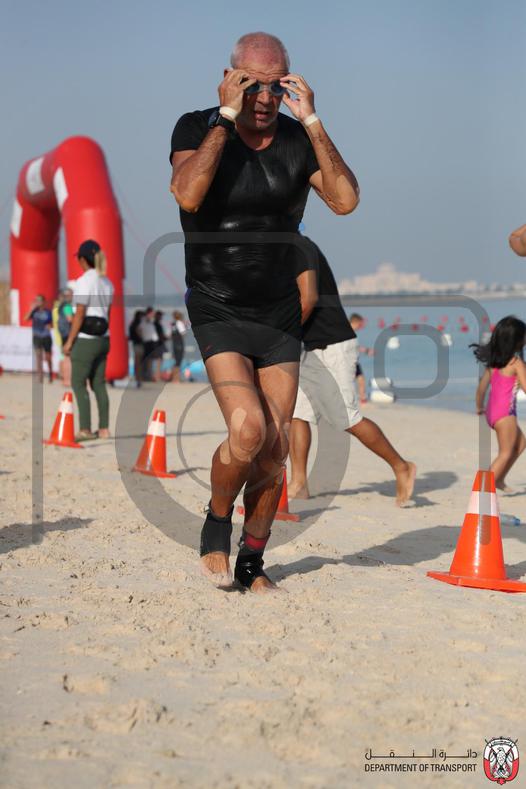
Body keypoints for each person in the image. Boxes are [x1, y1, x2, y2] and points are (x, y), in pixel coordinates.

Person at [170, 32, 359, 592]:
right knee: (248, 429)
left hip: (277, 311)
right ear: (230, 79)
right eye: (252, 84)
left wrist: (314, 121)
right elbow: (187, 193)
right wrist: (224, 119)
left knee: (274, 450)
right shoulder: (196, 127)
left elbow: (345, 200)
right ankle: (216, 520)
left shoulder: (298, 139)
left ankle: (252, 560)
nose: (265, 97)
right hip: (217, 304)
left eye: (277, 86)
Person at [288, 239, 416, 506]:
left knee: (347, 418)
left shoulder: (299, 247)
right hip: (311, 348)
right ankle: (299, 483)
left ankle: (401, 466)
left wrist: (282, 335)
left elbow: (308, 299)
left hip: (334, 345)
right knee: (298, 414)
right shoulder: (280, 251)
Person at [62, 240, 114, 441]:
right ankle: (104, 429)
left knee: (78, 382)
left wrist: (69, 340)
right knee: (99, 383)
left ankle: (85, 429)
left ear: (82, 259)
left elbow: (80, 313)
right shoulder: (107, 282)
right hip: (104, 338)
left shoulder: (84, 281)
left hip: (86, 340)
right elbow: (107, 313)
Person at [472, 316, 526, 491]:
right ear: (518, 340)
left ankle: (499, 480)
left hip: (492, 413)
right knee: (505, 453)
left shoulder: (493, 363)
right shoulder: (516, 363)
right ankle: (483, 489)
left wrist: (479, 406)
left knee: (520, 444)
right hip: (505, 415)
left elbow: (481, 389)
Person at [25, 294, 53, 384]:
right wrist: (31, 309)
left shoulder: (48, 312)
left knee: (48, 357)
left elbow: (52, 324)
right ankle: (40, 377)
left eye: (39, 300)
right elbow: (25, 319)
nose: (38, 302)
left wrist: (50, 326)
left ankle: (50, 373)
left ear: (43, 302)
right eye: (36, 300)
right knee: (38, 356)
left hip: (46, 336)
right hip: (37, 336)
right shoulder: (34, 311)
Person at [349, 312, 374, 404]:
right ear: (355, 322)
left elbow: (355, 347)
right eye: (359, 324)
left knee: (361, 379)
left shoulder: (350, 332)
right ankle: (357, 399)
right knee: (352, 381)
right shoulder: (346, 333)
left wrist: (366, 350)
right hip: (348, 361)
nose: (360, 327)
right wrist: (367, 350)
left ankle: (362, 399)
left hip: (354, 361)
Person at [54, 288, 74, 386]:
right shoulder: (67, 306)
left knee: (63, 356)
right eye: (71, 295)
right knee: (68, 357)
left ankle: (63, 379)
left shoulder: (60, 305)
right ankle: (67, 380)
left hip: (62, 333)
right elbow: (70, 319)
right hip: (67, 333)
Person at [139, 307, 158, 382]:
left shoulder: (151, 321)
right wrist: (141, 338)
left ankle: (148, 375)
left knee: (150, 360)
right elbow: (139, 329)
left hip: (152, 342)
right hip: (147, 342)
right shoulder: (144, 320)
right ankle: (146, 375)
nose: (153, 314)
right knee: (147, 360)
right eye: (152, 313)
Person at [128, 310, 145, 387]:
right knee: (138, 362)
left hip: (135, 344)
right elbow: (140, 333)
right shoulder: (138, 324)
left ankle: (137, 377)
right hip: (138, 344)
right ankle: (138, 378)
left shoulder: (133, 324)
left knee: (137, 362)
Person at [151, 310, 167, 382]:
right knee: (159, 361)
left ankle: (156, 376)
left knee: (157, 361)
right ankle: (157, 377)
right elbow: (160, 335)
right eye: (160, 315)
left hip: (156, 344)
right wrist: (165, 338)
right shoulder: (157, 324)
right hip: (158, 345)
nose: (161, 317)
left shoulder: (154, 324)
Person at [171, 310, 187, 382]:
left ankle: (174, 378)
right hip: (179, 344)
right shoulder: (180, 323)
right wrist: (185, 326)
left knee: (176, 361)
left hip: (174, 344)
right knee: (178, 362)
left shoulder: (173, 324)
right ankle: (176, 378)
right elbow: (183, 333)